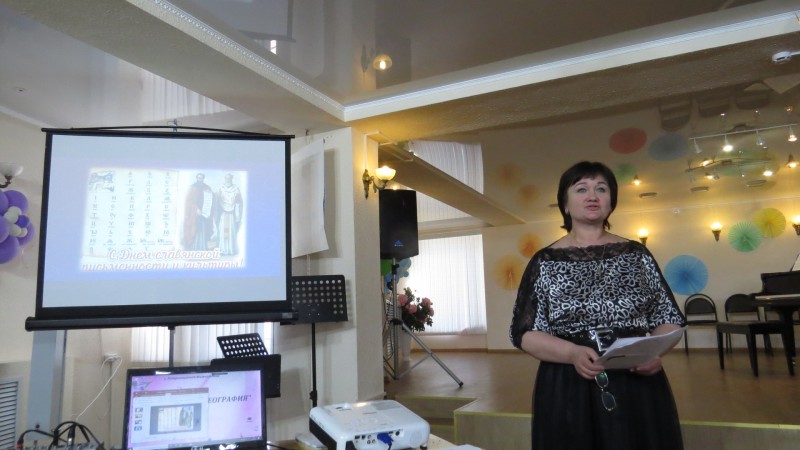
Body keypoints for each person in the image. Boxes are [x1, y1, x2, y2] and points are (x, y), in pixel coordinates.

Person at [509, 161, 685, 450]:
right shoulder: (545, 261)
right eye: (581, 189)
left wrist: (653, 351)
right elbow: (524, 333)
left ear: (611, 202)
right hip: (568, 384)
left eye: (601, 189)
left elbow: (669, 318)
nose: (592, 196)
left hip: (635, 380)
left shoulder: (637, 254)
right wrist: (572, 353)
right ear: (565, 204)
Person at [183, 173, 217, 251]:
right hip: (195, 213)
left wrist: (210, 193)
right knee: (195, 229)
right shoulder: (192, 187)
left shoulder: (207, 187)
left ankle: (204, 247)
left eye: (201, 178)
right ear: (196, 178)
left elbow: (212, 199)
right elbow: (189, 201)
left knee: (205, 229)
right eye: (198, 178)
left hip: (205, 213)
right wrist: (196, 209)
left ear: (203, 179)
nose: (200, 179)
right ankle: (195, 247)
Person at [216, 173, 243, 255]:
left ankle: (231, 250)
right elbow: (216, 200)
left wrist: (237, 215)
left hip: (231, 215)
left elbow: (239, 202)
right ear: (225, 179)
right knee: (222, 231)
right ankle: (223, 249)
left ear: (231, 179)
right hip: (223, 214)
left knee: (231, 232)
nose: (228, 180)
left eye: (229, 178)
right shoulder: (221, 188)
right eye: (226, 178)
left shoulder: (236, 189)